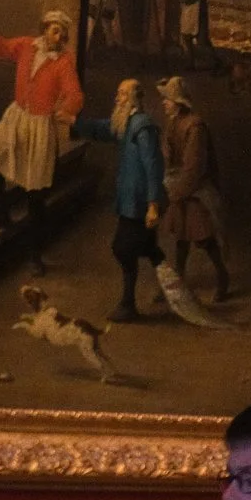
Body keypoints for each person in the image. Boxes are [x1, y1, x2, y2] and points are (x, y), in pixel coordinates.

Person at [0, 12, 85, 273]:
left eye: (62, 33)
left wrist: (68, 110)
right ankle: (2, 212)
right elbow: (2, 46)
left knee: (35, 194)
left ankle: (34, 255)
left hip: (40, 127)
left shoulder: (63, 62)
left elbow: (75, 94)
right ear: (45, 30)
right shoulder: (27, 45)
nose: (58, 36)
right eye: (54, 30)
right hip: (17, 116)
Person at [73, 79, 166, 321]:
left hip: (139, 202)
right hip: (130, 200)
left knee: (123, 249)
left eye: (123, 94)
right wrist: (74, 121)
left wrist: (153, 205)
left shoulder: (143, 127)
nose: (117, 98)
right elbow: (103, 129)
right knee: (146, 247)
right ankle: (167, 287)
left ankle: (128, 305)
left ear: (134, 99)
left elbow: (153, 166)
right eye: (118, 93)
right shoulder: (127, 122)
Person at [153, 77, 229, 301]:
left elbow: (194, 167)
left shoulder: (195, 126)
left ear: (178, 102)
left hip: (196, 191)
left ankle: (222, 276)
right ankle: (179, 282)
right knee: (181, 237)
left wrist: (177, 192)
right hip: (180, 186)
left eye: (167, 99)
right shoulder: (174, 122)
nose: (164, 103)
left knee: (203, 238)